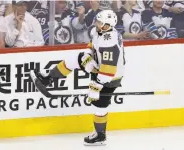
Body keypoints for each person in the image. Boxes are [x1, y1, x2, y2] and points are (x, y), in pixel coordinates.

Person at [30, 9, 125, 146]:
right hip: (99, 68)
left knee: (100, 105)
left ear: (107, 26)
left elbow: (109, 69)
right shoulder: (100, 31)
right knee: (77, 59)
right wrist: (87, 53)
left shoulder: (110, 41)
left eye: (100, 22)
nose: (96, 24)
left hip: (111, 78)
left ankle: (100, 135)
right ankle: (48, 78)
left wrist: (96, 87)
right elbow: (93, 45)